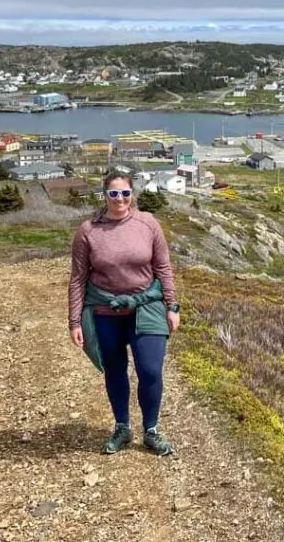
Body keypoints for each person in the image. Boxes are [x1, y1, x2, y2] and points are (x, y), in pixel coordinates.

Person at [68, 170, 181, 455]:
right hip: (105, 311)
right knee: (115, 371)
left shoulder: (148, 223)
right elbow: (78, 278)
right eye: (114, 193)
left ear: (133, 194)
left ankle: (151, 430)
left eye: (125, 193)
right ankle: (122, 427)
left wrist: (172, 306)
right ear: (104, 195)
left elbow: (163, 268)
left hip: (147, 307)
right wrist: (74, 320)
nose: (120, 199)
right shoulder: (88, 231)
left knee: (151, 370)